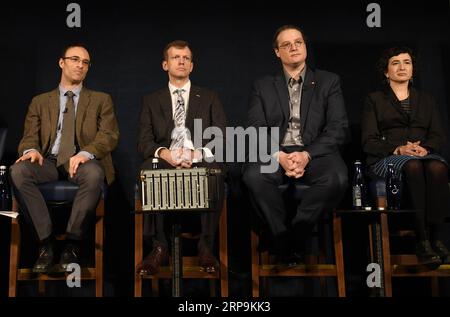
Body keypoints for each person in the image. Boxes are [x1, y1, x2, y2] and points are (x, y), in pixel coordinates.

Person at [242, 25, 349, 263]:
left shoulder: (329, 81)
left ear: (305, 47)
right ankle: (280, 234)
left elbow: (337, 127)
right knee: (253, 176)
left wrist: (306, 155)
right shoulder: (263, 85)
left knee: (337, 178)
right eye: (286, 45)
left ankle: (299, 230)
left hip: (316, 153)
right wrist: (279, 156)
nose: (294, 48)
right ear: (277, 52)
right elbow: (255, 128)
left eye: (298, 42)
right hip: (276, 153)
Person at [10, 44, 120, 273]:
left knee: (94, 173)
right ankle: (46, 243)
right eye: (75, 59)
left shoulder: (101, 100)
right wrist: (31, 150)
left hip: (81, 162)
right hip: (48, 162)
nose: (80, 65)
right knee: (18, 171)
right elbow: (29, 137)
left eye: (85, 62)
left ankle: (72, 244)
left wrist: (84, 153)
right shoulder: (40, 102)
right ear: (62, 63)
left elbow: (109, 136)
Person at [136, 40, 226, 275]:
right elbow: (144, 141)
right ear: (165, 64)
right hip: (166, 160)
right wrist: (166, 154)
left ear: (192, 65)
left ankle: (206, 246)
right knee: (149, 169)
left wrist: (196, 154)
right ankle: (158, 247)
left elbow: (221, 137)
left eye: (186, 58)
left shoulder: (209, 97)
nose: (182, 61)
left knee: (214, 170)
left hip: (197, 158)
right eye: (176, 57)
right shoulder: (151, 100)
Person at [361, 46, 450, 265]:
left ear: (413, 69)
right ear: (386, 71)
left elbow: (438, 136)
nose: (402, 67)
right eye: (395, 63)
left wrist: (426, 149)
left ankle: (437, 239)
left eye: (407, 63)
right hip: (386, 158)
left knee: (437, 167)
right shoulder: (374, 100)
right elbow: (368, 141)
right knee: (411, 165)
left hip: (423, 155)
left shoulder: (427, 100)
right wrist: (399, 148)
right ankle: (421, 239)